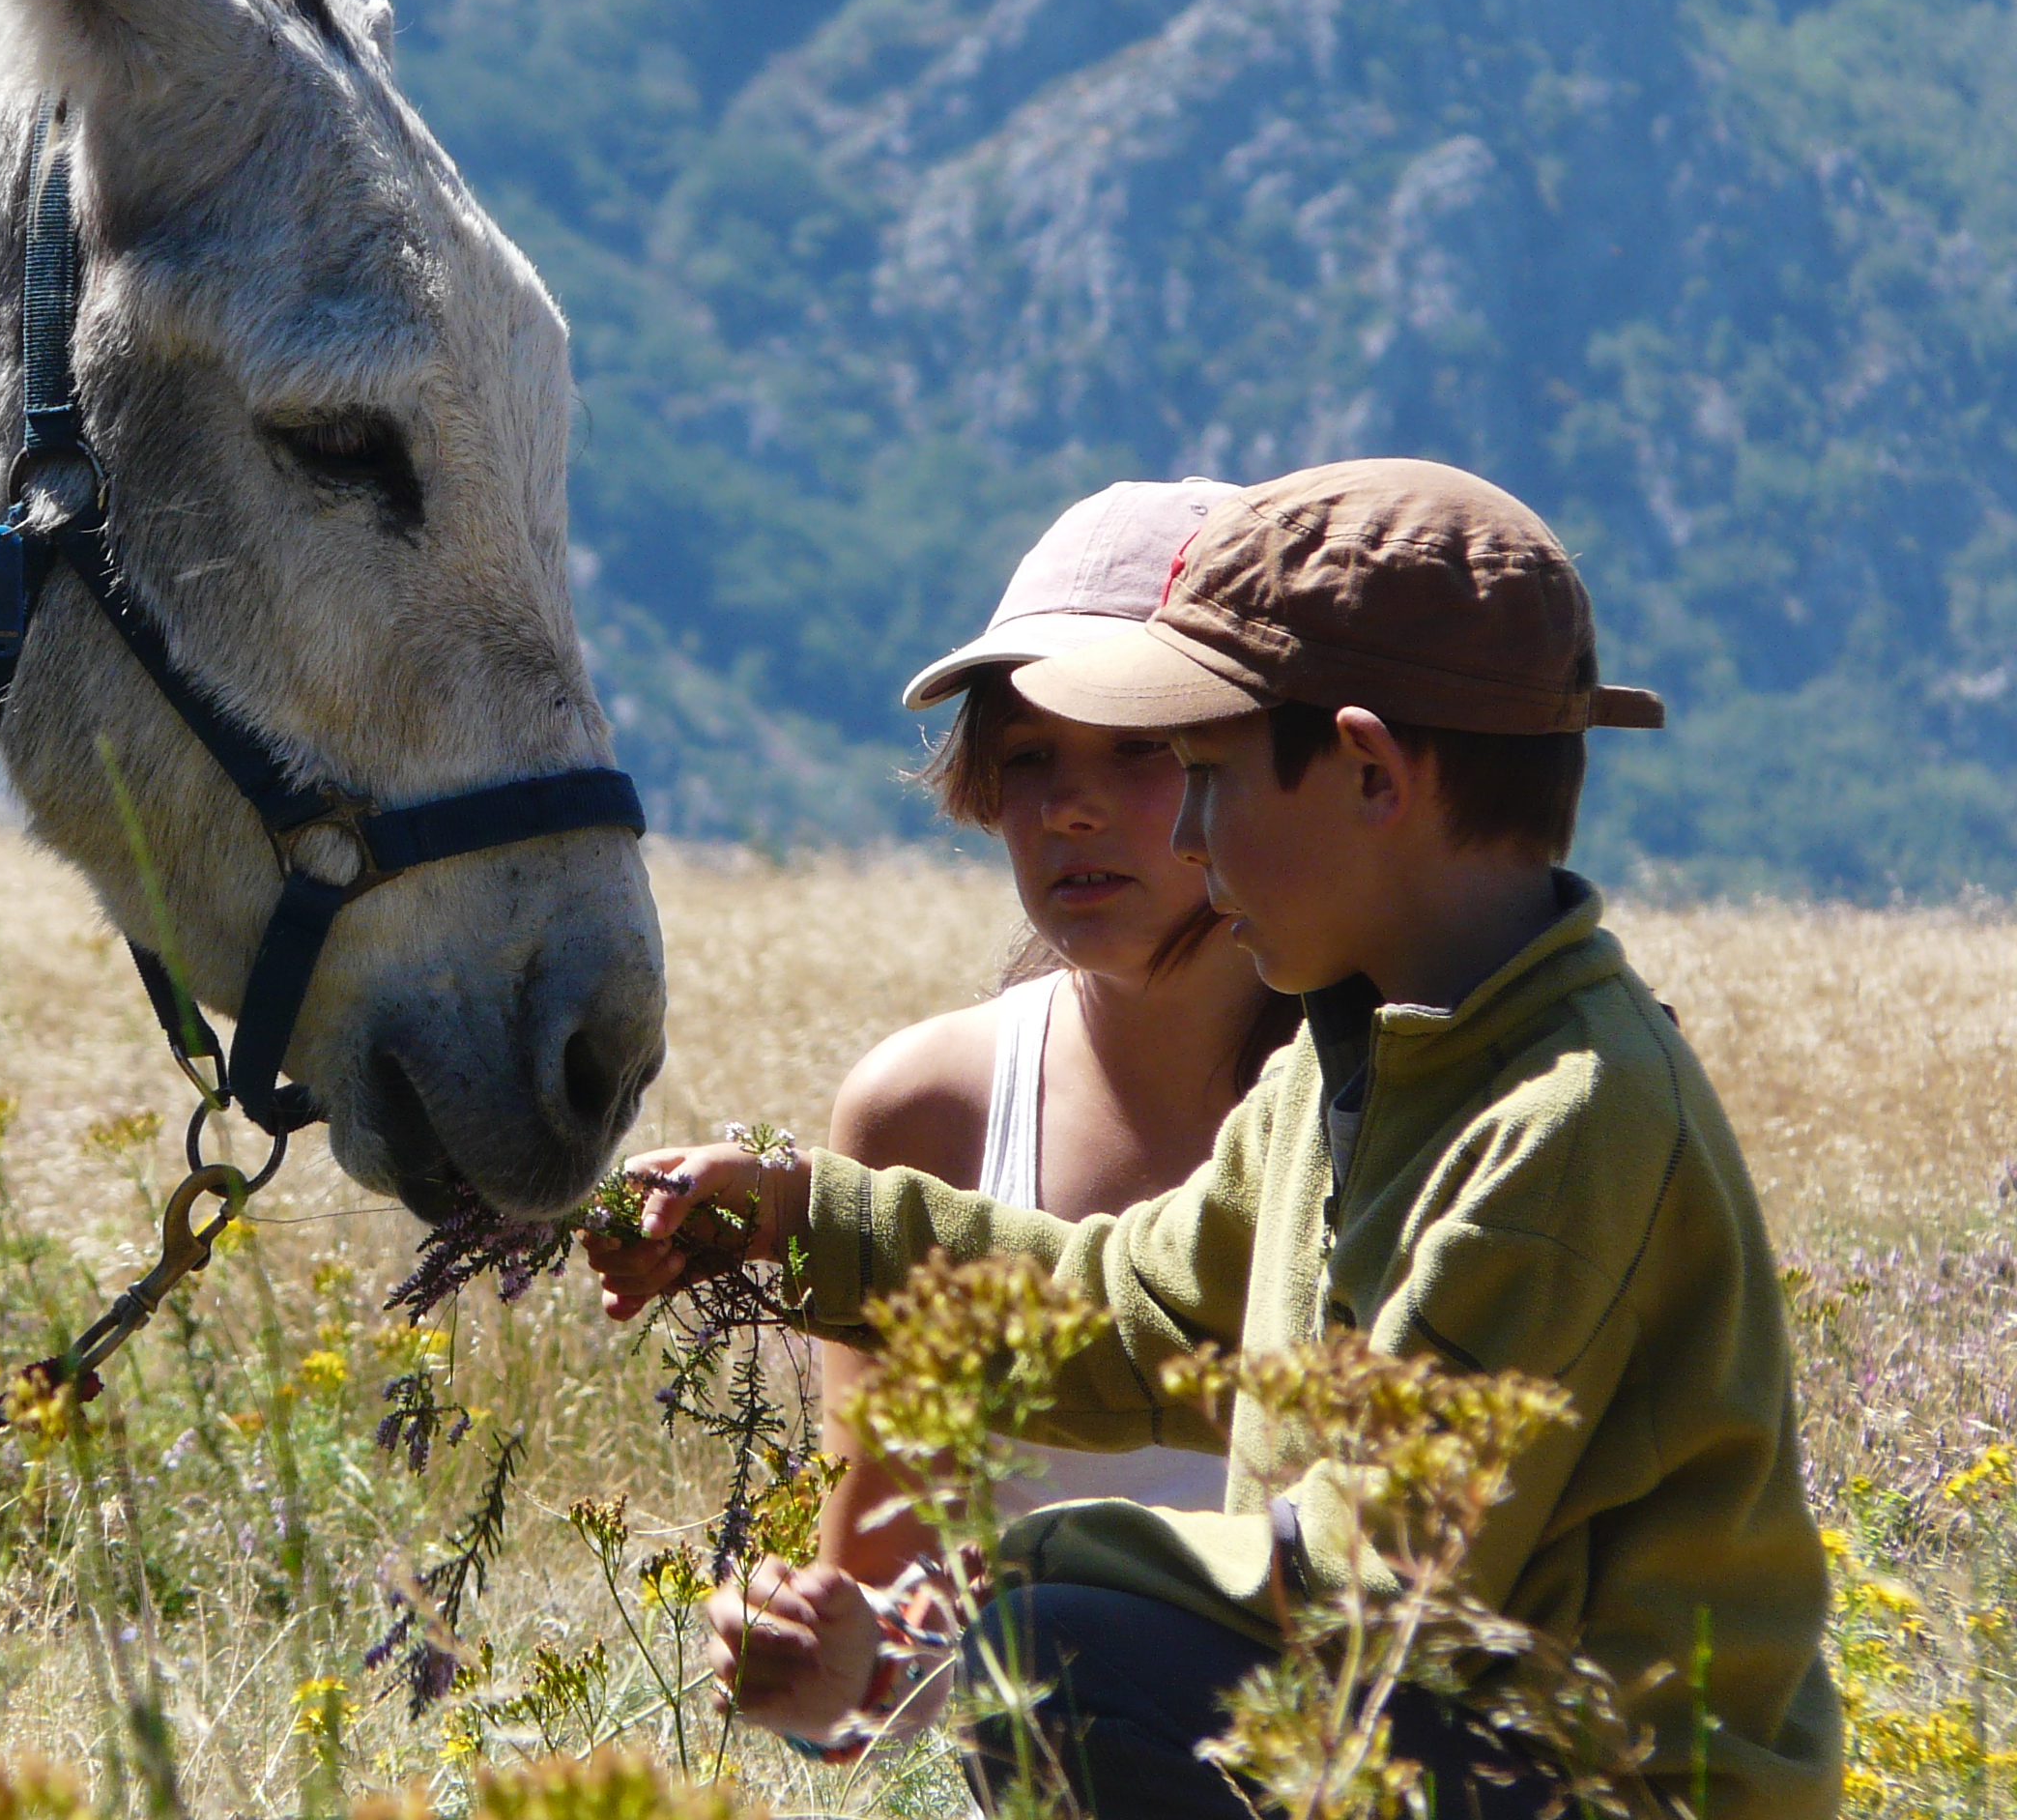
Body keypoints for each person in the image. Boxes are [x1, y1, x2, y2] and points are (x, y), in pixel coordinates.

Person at [588, 461, 1839, 1820]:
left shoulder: (1563, 1121)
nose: (1184, 830)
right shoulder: (1358, 1061)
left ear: (1369, 773)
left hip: (1607, 1787)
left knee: (1064, 1659)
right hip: (1429, 1740)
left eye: (1204, 777)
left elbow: (1384, 1577)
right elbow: (1134, 1316)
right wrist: (803, 1218)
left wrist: (1011, 1581)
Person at [818, 477, 1297, 1595]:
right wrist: (806, 1657)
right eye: (1028, 755)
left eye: (1137, 748)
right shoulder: (923, 1111)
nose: (1067, 809)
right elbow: (882, 1629)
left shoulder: (1413, 1095)